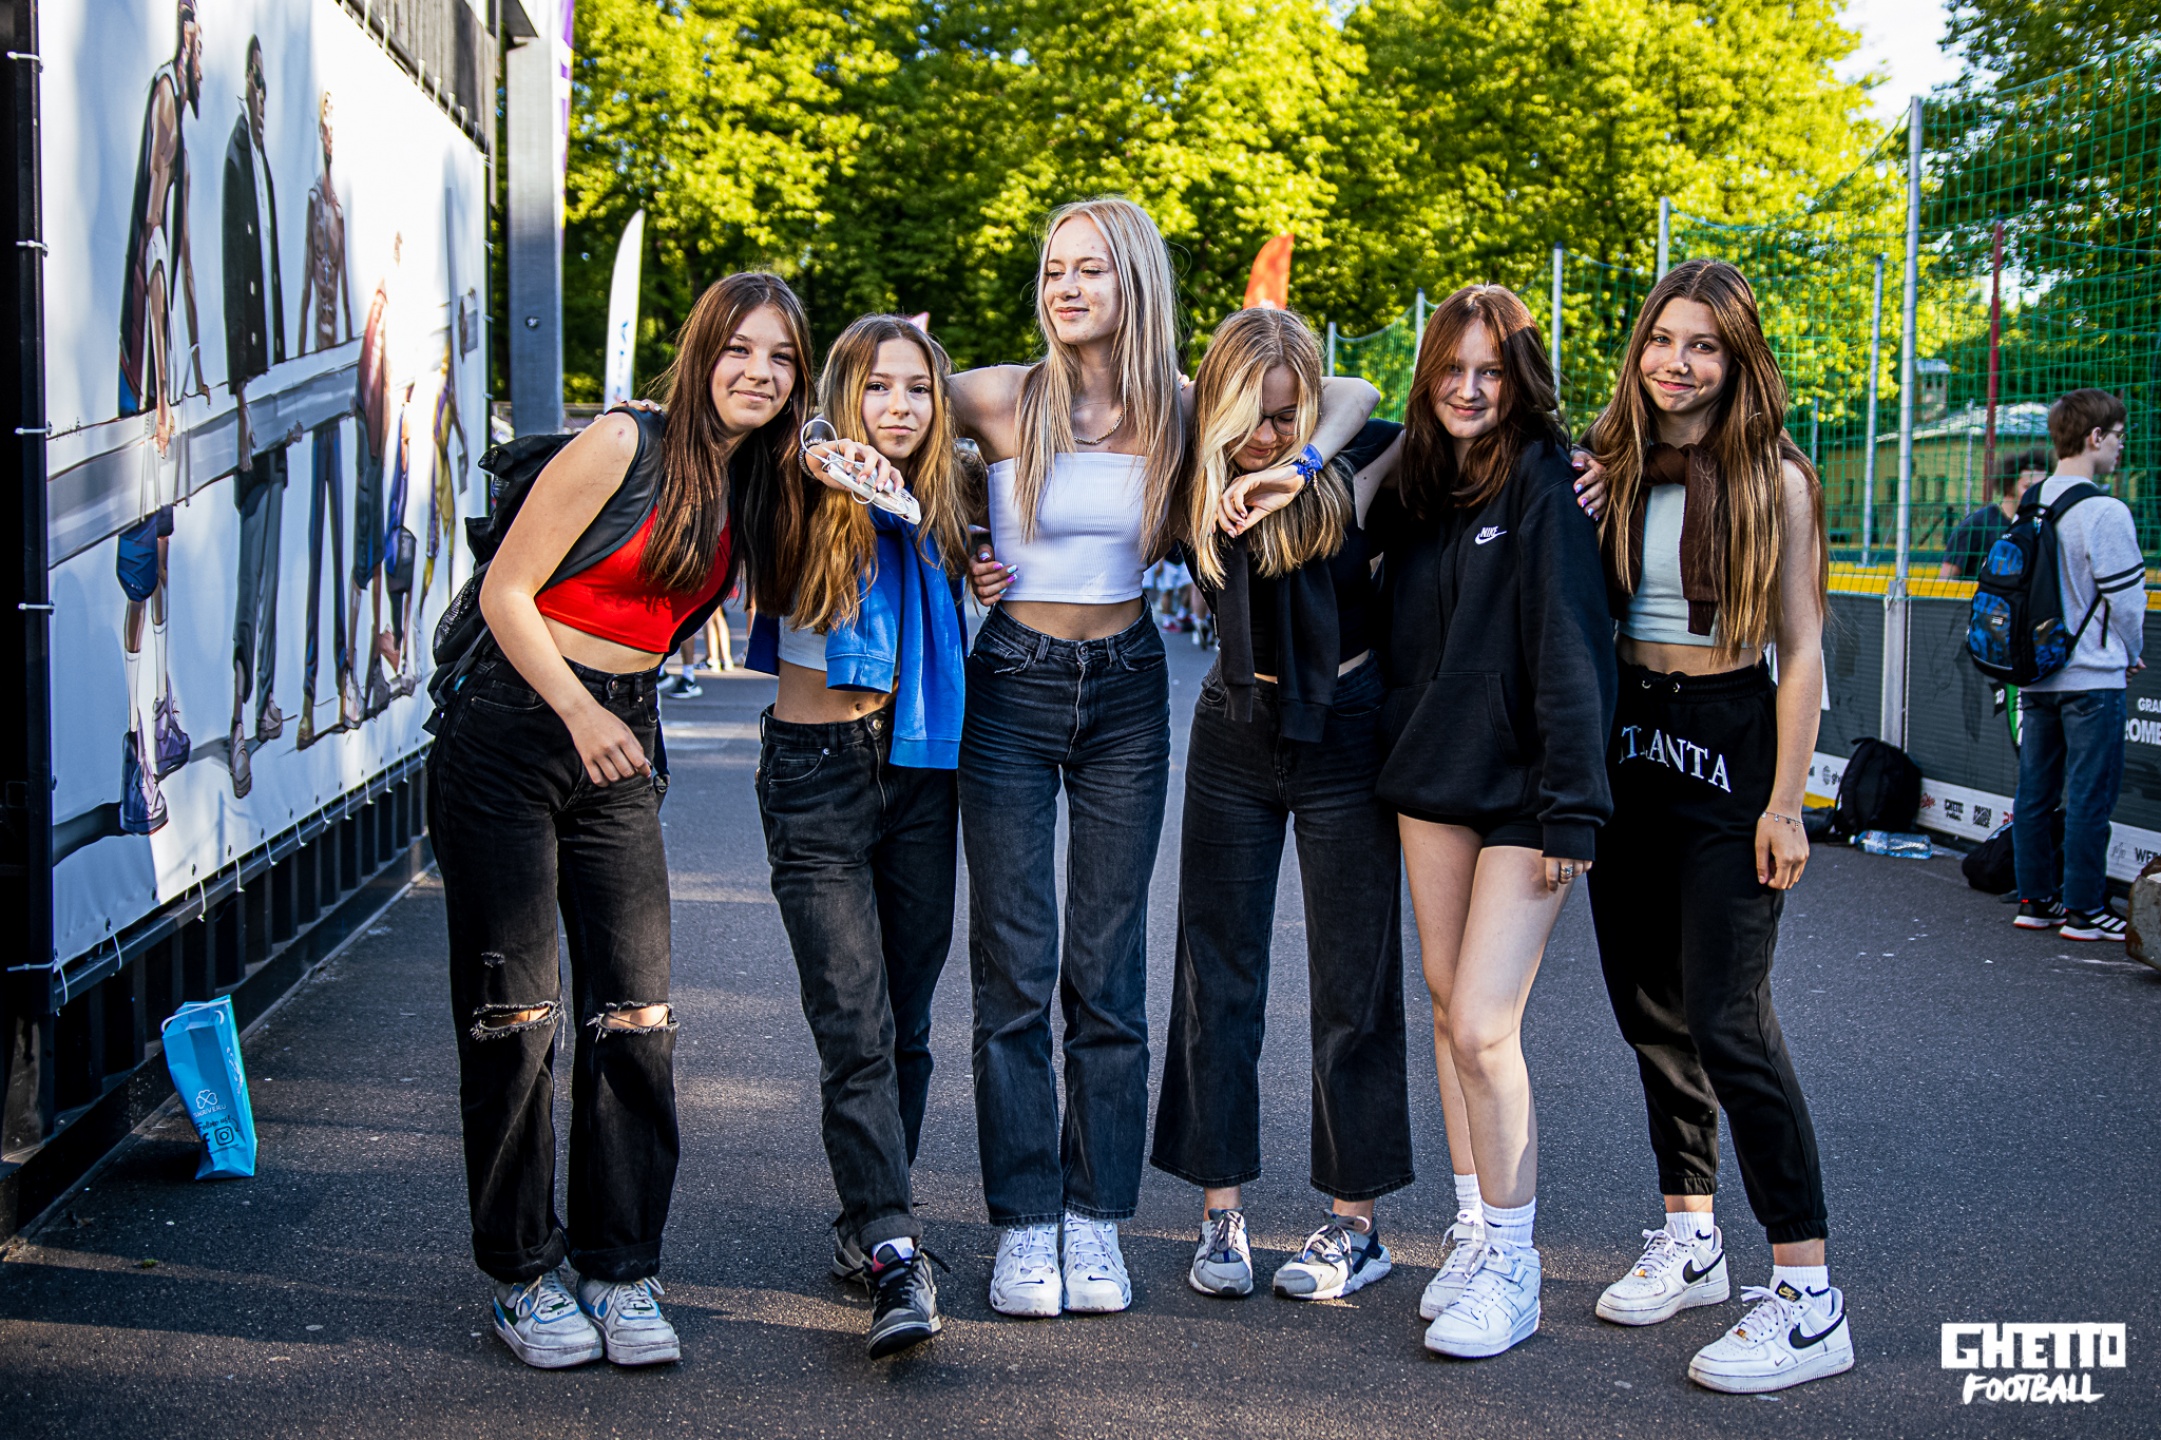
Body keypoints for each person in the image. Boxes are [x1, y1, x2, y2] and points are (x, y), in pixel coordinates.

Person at [956, 196, 1378, 1319]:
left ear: (1134, 282)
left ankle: (1095, 1219)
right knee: (1013, 969)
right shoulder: (997, 396)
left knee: (1107, 969)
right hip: (1011, 683)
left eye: (1091, 268)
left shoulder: (1185, 407)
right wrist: (955, 537)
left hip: (1128, 686)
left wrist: (1297, 465)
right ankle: (1023, 1223)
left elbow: (1347, 391)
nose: (1066, 287)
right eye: (1055, 268)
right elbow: (876, 405)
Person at [426, 271, 809, 1370]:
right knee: (515, 1014)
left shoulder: (754, 478)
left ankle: (620, 1265)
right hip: (514, 728)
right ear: (700, 351)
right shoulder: (623, 442)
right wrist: (581, 711)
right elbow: (507, 592)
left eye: (781, 359)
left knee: (636, 1012)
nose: (758, 373)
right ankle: (521, 1275)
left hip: (622, 733)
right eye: (739, 349)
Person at [1583, 258, 1847, 1395]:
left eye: (1702, 345)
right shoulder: (1609, 469)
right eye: (1661, 339)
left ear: (1737, 362)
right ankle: (1689, 1237)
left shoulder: (1773, 482)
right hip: (1626, 740)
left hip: (1728, 741)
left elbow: (1802, 651)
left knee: (1730, 1019)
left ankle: (1808, 1295)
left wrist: (1786, 804)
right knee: (1649, 1010)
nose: (1675, 363)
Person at [1363, 286, 1615, 1359]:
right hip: (1431, 775)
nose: (1468, 389)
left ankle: (1514, 1262)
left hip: (1527, 792)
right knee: (1441, 1002)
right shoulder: (1415, 481)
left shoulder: (1550, 478)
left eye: (1492, 371)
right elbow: (1331, 416)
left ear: (1521, 382)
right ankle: (1471, 1231)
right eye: (1451, 369)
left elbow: (1571, 642)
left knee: (1480, 1023)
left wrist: (1573, 806)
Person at [1147, 307, 1413, 1305]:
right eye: (1249, 416)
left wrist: (1298, 462)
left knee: (1353, 977)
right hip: (1234, 726)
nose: (1264, 434)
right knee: (1215, 971)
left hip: (1346, 725)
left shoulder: (1351, 464)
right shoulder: (1190, 473)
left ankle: (1354, 1223)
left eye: (1284, 413)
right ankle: (1220, 1209)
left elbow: (1363, 393)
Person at [746, 314, 976, 1357]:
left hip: (922, 767)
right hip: (818, 773)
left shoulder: (943, 500)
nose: (898, 405)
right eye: (877, 385)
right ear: (842, 393)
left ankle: (874, 1218)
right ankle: (891, 1246)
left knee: (906, 1023)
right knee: (854, 1024)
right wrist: (815, 447)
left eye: (917, 387)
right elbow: (778, 448)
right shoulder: (804, 479)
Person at [115, 0, 207, 831]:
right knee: (142, 573)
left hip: (158, 399)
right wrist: (163, 398)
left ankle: (154, 724)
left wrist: (191, 371)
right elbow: (154, 276)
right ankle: (137, 744)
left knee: (160, 563)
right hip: (146, 406)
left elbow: (173, 281)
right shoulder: (147, 233)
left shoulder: (165, 226)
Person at [2011, 389, 2142, 941]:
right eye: (2117, 437)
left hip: (2038, 671)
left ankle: (2034, 900)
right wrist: (2131, 652)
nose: (2119, 447)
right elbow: (2127, 603)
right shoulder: (2105, 511)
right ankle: (2085, 909)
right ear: (2094, 437)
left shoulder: (2031, 503)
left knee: (2035, 793)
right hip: (2092, 676)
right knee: (2089, 795)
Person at [221, 36, 288, 798]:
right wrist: (243, 400)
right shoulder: (241, 157)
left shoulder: (261, 160)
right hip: (253, 400)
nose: (263, 103)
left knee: (269, 565)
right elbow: (238, 281)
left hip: (271, 392)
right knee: (250, 572)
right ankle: (240, 712)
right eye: (258, 89)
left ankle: (261, 698)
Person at [295, 92, 360, 748]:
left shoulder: (337, 208)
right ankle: (312, 689)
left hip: (342, 396)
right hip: (319, 391)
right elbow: (304, 297)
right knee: (319, 549)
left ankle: (343, 680)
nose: (330, 137)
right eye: (325, 127)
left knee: (343, 547)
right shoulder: (315, 204)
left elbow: (338, 300)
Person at [1939, 444, 2050, 580]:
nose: (2036, 494)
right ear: (2009, 485)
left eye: (2042, 488)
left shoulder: (2039, 526)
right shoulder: (1976, 525)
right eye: (2028, 487)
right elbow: (1946, 580)